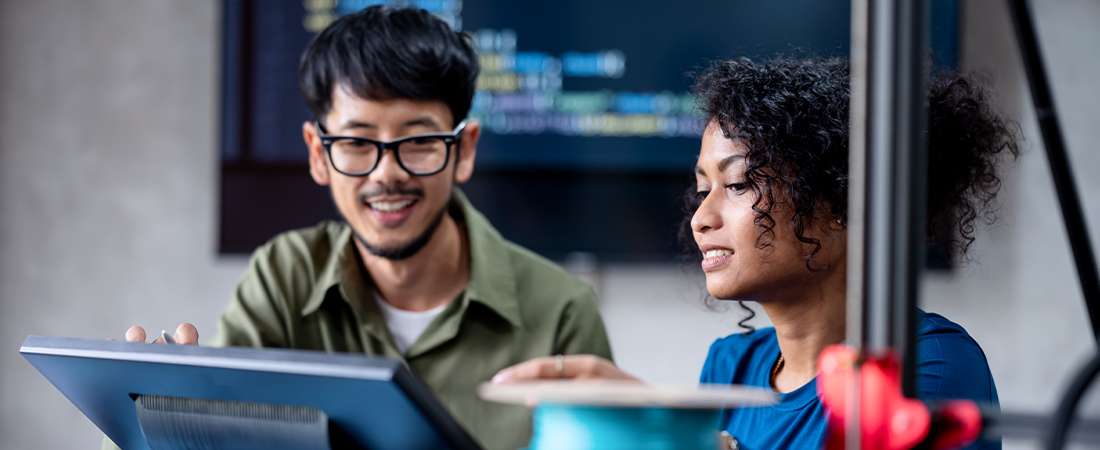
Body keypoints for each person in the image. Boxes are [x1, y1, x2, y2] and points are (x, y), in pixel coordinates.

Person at [110, 6, 612, 450]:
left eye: (418, 141)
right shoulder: (283, 276)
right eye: (356, 142)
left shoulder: (562, 312)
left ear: (465, 150)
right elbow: (224, 426)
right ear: (317, 153)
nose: (385, 173)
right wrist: (162, 419)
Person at [492, 57, 1018, 450]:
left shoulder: (932, 364)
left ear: (842, 200)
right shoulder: (730, 363)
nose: (701, 218)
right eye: (703, 189)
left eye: (739, 183)